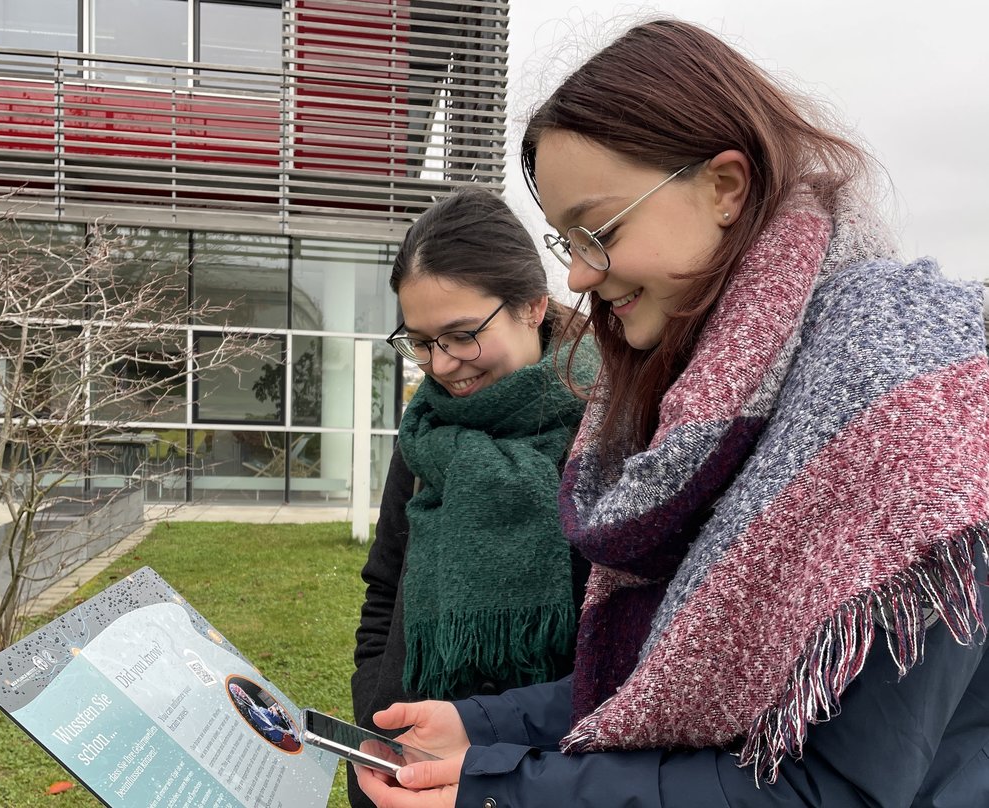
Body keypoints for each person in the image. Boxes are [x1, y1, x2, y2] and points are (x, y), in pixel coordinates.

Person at [355, 17, 989, 808]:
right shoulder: (707, 399)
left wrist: (502, 785)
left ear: (724, 187)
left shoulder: (897, 398)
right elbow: (676, 680)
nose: (580, 277)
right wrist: (484, 726)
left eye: (601, 229)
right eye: (564, 242)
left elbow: (833, 783)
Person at [349, 188, 599, 807]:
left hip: (545, 771)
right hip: (399, 763)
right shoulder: (426, 433)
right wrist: (372, 703)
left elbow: (628, 643)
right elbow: (385, 585)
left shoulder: (612, 430)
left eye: (461, 335)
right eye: (420, 341)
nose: (441, 365)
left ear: (533, 306)